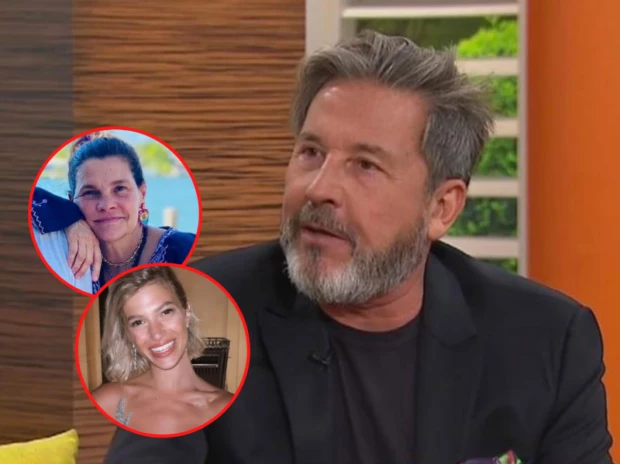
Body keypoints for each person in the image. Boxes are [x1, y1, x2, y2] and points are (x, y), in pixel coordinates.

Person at [104, 31, 613, 463]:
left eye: (365, 165)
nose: (319, 188)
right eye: (311, 152)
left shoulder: (547, 339)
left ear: (441, 207)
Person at [30, 131, 196, 293]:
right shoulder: (67, 255)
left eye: (120, 188)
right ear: (71, 201)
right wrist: (70, 218)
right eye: (90, 192)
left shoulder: (183, 250)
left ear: (142, 193)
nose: (107, 205)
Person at [91, 266, 233, 435]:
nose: (156, 334)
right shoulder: (108, 401)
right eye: (138, 322)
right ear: (128, 334)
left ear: (186, 313)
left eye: (166, 312)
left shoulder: (228, 408)